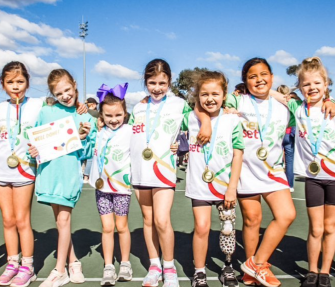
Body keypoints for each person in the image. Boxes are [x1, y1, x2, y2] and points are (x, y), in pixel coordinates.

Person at [128, 59, 210, 287]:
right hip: (139, 171)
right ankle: (154, 266)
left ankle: (169, 267)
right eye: (152, 82)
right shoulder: (137, 107)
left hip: (163, 170)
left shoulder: (178, 104)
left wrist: (204, 123)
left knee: (162, 220)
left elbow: (196, 114)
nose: (157, 87)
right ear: (145, 82)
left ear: (169, 82)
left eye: (162, 83)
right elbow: (131, 135)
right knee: (148, 220)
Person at [273, 57, 335, 287]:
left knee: (330, 227)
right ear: (299, 87)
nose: (312, 88)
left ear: (326, 84)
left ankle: (325, 272)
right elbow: (273, 94)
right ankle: (312, 271)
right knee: (315, 228)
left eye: (317, 83)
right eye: (306, 84)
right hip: (313, 178)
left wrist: (332, 101)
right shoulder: (298, 108)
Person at [225, 58, 296, 287]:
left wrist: (278, 95)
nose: (259, 80)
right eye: (252, 76)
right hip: (245, 169)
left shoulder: (285, 107)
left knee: (286, 215)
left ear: (272, 77)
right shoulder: (237, 100)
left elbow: (310, 105)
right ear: (245, 81)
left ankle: (257, 263)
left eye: (264, 74)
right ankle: (250, 271)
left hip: (273, 171)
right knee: (252, 220)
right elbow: (218, 102)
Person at [28, 69, 96, 287]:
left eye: (68, 90)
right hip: (49, 174)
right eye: (59, 93)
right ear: (53, 94)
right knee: (60, 223)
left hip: (68, 174)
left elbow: (87, 152)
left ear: (74, 85)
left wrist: (84, 137)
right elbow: (35, 141)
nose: (65, 95)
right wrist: (34, 150)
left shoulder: (84, 115)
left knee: (64, 220)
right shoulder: (46, 112)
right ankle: (74, 261)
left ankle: (59, 271)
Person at [182, 71, 244, 287]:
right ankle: (199, 272)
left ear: (224, 94)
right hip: (199, 185)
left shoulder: (232, 120)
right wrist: (204, 119)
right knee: (201, 227)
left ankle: (227, 266)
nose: (210, 99)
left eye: (215, 94)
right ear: (197, 96)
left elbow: (238, 153)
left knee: (228, 228)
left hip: (225, 186)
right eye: (204, 94)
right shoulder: (189, 117)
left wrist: (232, 188)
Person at [0, 61, 44, 287]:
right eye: (10, 82)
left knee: (21, 219)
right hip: (1, 171)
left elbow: (63, 106)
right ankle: (12, 264)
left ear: (27, 82)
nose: (15, 86)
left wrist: (82, 106)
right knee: (7, 220)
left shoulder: (38, 105)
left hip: (25, 170)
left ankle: (28, 267)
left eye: (20, 81)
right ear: (2, 84)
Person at [88, 83, 133, 286]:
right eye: (108, 116)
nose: (113, 120)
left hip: (122, 189)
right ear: (101, 116)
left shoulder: (131, 132)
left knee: (121, 226)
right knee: (107, 228)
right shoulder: (97, 133)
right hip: (102, 188)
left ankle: (125, 263)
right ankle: (108, 266)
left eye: (118, 115)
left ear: (125, 113)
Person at [276, 85, 296, 192]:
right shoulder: (293, 102)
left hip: (278, 133)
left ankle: (274, 181)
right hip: (289, 133)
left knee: (275, 158)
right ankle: (290, 185)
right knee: (290, 160)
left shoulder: (274, 103)